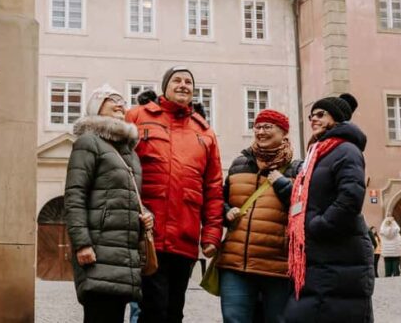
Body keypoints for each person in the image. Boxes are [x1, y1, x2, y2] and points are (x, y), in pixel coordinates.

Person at [126, 66, 224, 323]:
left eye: (188, 82)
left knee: (174, 311)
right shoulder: (137, 117)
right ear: (165, 87)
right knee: (152, 309)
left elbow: (213, 188)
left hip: (185, 237)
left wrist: (211, 234)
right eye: (177, 80)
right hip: (147, 234)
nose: (183, 85)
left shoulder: (205, 132)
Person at [64, 84, 154, 323]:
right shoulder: (88, 142)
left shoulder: (129, 153)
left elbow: (129, 199)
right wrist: (82, 243)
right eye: (111, 98)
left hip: (124, 255)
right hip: (99, 250)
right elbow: (74, 195)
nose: (120, 103)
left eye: (122, 100)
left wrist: (146, 215)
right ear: (96, 106)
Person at [284, 93, 374, 323]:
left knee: (335, 313)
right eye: (311, 115)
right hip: (319, 253)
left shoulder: (346, 150)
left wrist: (319, 225)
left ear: (337, 118)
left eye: (320, 114)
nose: (313, 119)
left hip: (338, 250)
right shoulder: (318, 153)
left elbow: (351, 196)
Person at [217, 109, 302, 323]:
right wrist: (226, 211)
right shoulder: (239, 164)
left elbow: (304, 209)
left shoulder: (297, 168)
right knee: (234, 319)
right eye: (257, 127)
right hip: (237, 263)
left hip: (277, 264)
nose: (261, 132)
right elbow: (217, 201)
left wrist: (283, 185)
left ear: (284, 133)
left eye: (268, 127)